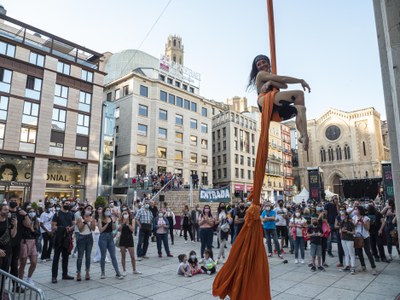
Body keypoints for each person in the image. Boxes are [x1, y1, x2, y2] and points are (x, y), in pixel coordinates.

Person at [247, 54, 310, 151]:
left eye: (264, 62)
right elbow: (283, 79)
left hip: (276, 112)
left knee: (300, 109)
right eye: (259, 64)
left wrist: (270, 82)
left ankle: (302, 134)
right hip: (264, 100)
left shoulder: (270, 77)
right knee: (299, 94)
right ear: (257, 68)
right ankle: (305, 135)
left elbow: (284, 86)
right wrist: (301, 81)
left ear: (268, 63)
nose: (262, 65)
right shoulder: (261, 74)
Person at [51, 199, 75, 283]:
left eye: (69, 204)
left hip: (67, 238)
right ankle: (54, 276)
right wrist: (63, 228)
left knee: (66, 257)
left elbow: (73, 225)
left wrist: (70, 228)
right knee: (56, 257)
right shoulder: (57, 214)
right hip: (58, 238)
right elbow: (53, 227)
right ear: (62, 204)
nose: (68, 205)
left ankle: (65, 274)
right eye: (66, 203)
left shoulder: (71, 214)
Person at [98, 206, 123, 279]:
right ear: (104, 211)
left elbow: (114, 228)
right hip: (103, 237)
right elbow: (100, 230)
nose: (108, 211)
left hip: (110, 237)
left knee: (113, 256)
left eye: (109, 210)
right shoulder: (100, 219)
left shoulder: (111, 218)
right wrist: (106, 223)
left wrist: (112, 222)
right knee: (103, 255)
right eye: (107, 210)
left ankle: (117, 272)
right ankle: (102, 272)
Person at [353, 206, 377, 275]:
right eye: (355, 209)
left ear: (360, 210)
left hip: (365, 237)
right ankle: (363, 266)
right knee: (359, 252)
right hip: (357, 237)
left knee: (368, 252)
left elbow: (368, 228)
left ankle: (373, 268)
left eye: (356, 209)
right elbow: (352, 226)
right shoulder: (354, 217)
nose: (355, 211)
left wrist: (363, 223)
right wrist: (356, 223)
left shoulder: (366, 218)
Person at [19, 206, 39, 286]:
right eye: (30, 211)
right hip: (24, 241)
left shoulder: (36, 221)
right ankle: (20, 279)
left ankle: (29, 278)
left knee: (34, 262)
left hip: (33, 242)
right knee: (23, 263)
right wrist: (31, 227)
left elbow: (37, 233)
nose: (32, 213)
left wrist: (32, 229)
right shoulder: (23, 219)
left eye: (33, 211)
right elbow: (27, 225)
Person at [118, 209, 142, 276]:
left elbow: (132, 230)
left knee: (132, 256)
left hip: (129, 238)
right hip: (123, 238)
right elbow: (119, 229)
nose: (125, 215)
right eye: (124, 214)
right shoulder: (120, 220)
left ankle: (134, 269)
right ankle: (124, 270)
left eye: (126, 213)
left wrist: (128, 223)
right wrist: (123, 223)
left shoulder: (132, 220)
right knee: (123, 255)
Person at [75, 205, 95, 281]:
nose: (89, 210)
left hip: (89, 237)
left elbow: (93, 229)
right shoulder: (79, 218)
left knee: (88, 256)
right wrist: (85, 222)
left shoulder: (92, 218)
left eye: (90, 209)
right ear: (85, 209)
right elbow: (80, 229)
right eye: (88, 208)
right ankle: (78, 273)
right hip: (81, 237)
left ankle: (87, 272)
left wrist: (92, 222)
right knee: (80, 256)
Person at [0, 203, 17, 272]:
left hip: (7, 250)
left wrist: (15, 225)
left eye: (8, 210)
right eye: (5, 210)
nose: (7, 211)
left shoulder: (9, 221)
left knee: (5, 272)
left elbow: (12, 235)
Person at [339, 209, 356, 274]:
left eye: (343, 215)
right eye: (341, 215)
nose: (342, 216)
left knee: (351, 253)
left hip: (349, 239)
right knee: (346, 253)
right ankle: (347, 266)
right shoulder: (341, 222)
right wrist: (341, 230)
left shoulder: (350, 223)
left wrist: (347, 231)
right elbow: (340, 231)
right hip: (343, 239)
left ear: (346, 216)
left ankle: (353, 267)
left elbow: (354, 232)